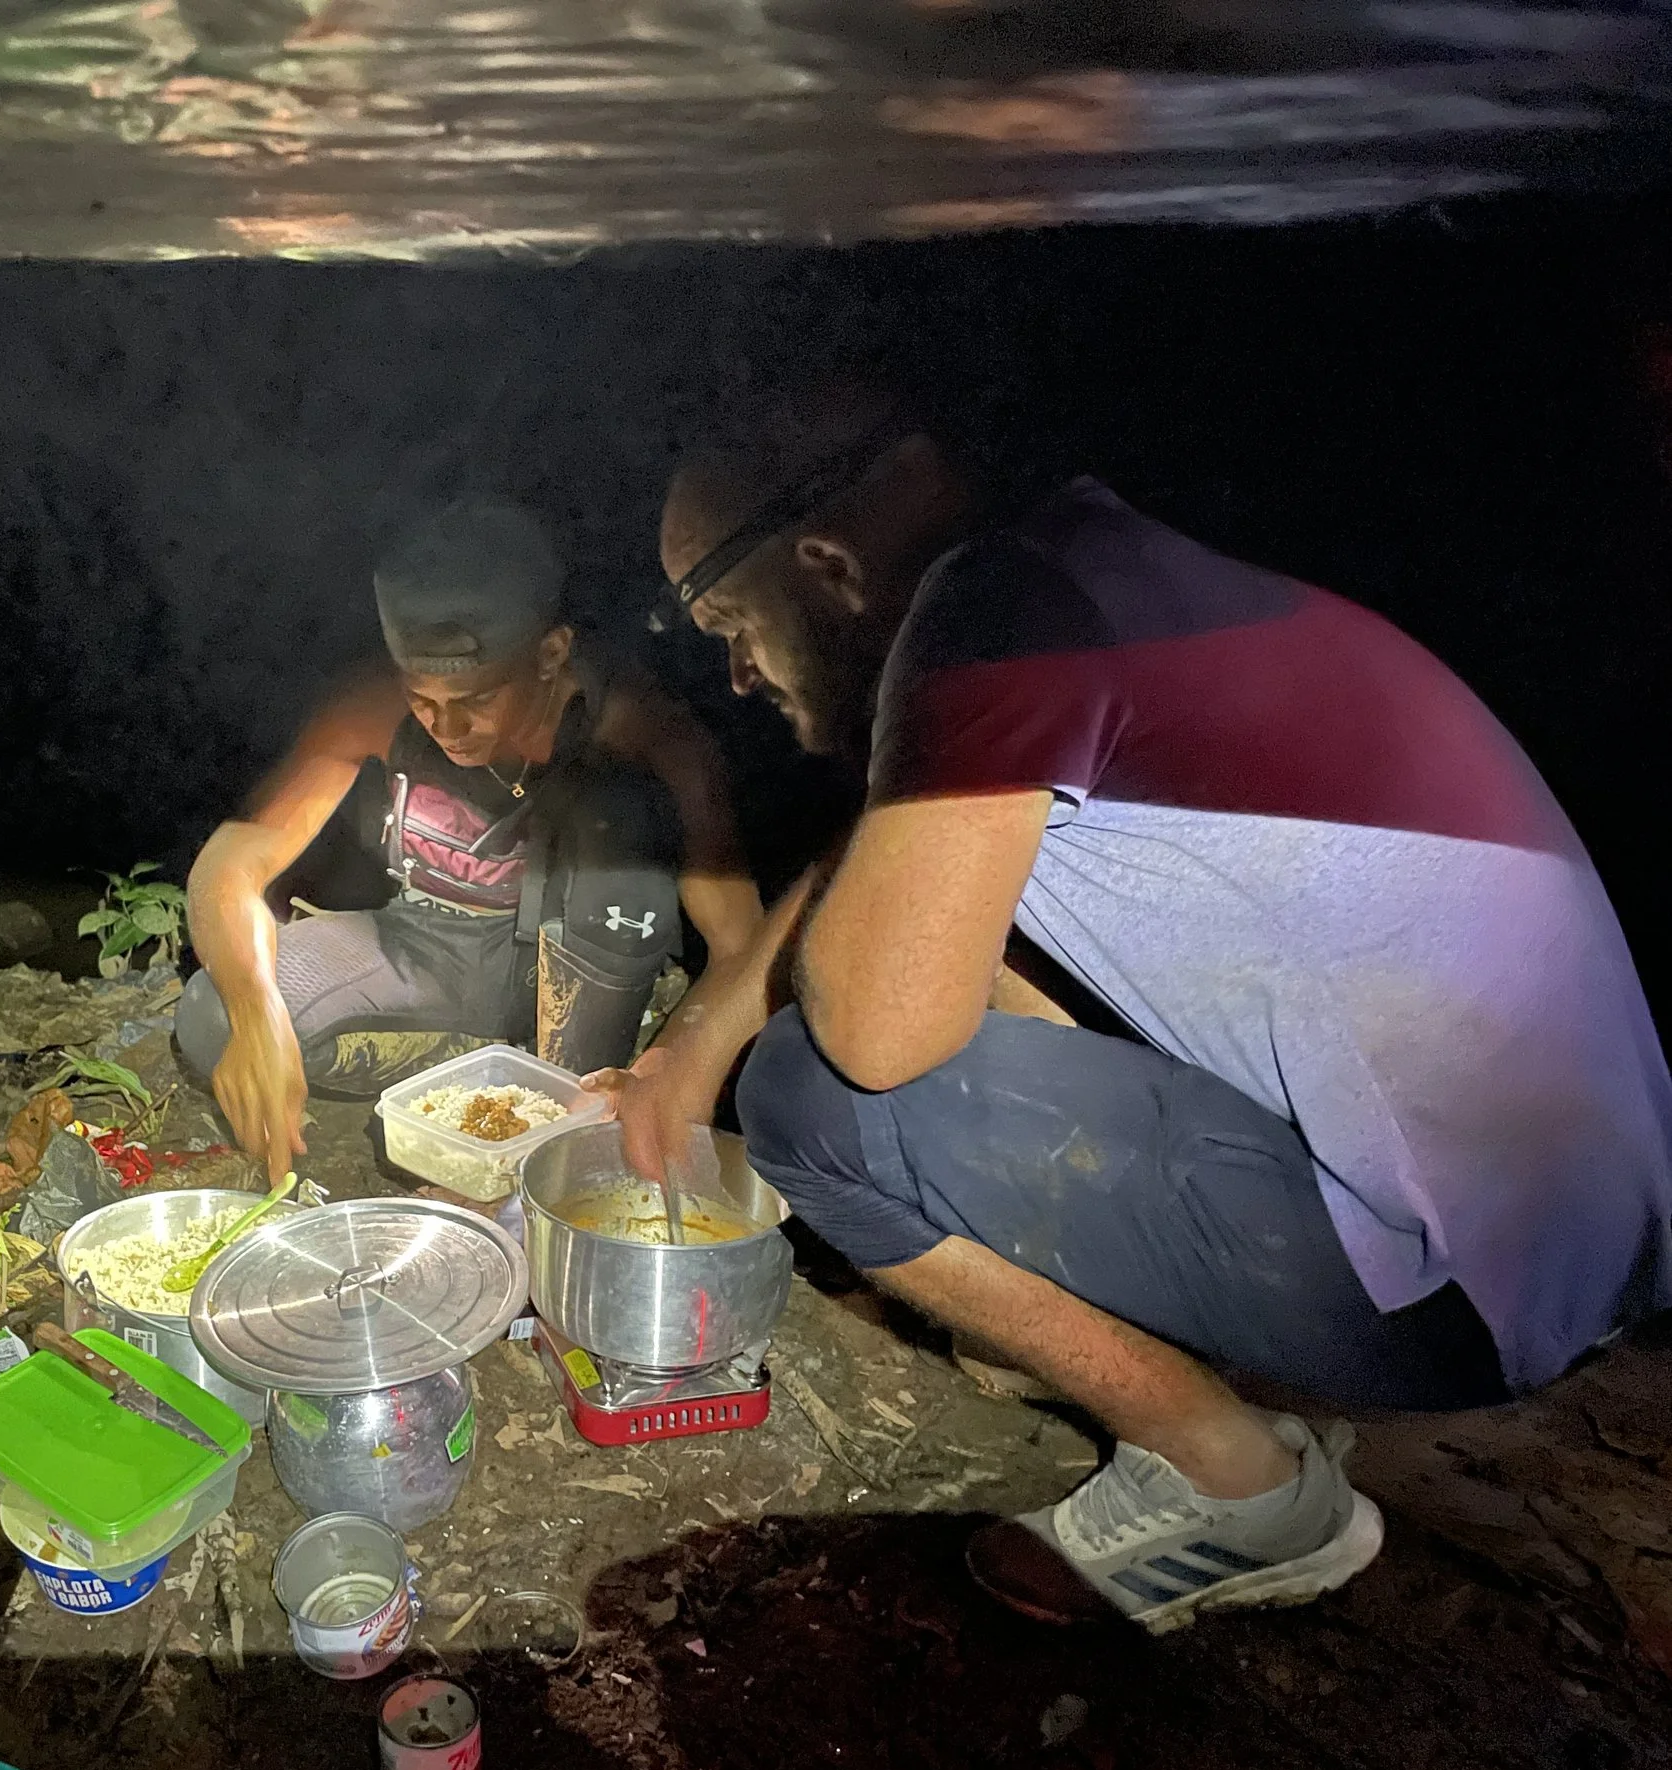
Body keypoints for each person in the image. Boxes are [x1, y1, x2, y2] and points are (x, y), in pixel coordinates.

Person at [608, 383, 1672, 1630]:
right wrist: (684, 1051)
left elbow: (872, 1028)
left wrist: (737, 1057)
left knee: (812, 1096)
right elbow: (886, 843)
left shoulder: (990, 622)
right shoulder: (1072, 570)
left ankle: (1246, 1489)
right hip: (1594, 1225)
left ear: (828, 563)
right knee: (949, 936)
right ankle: (1107, 1306)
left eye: (731, 623)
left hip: (1479, 1298)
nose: (734, 677)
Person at [179, 496, 763, 1181]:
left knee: (617, 811)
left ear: (550, 653)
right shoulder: (372, 707)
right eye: (424, 700)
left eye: (477, 700)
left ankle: (564, 1108)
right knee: (210, 1014)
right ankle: (469, 1068)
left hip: (571, 969)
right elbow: (232, 864)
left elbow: (740, 945)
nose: (446, 728)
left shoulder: (645, 731)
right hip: (425, 945)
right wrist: (256, 1013)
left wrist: (675, 1064)